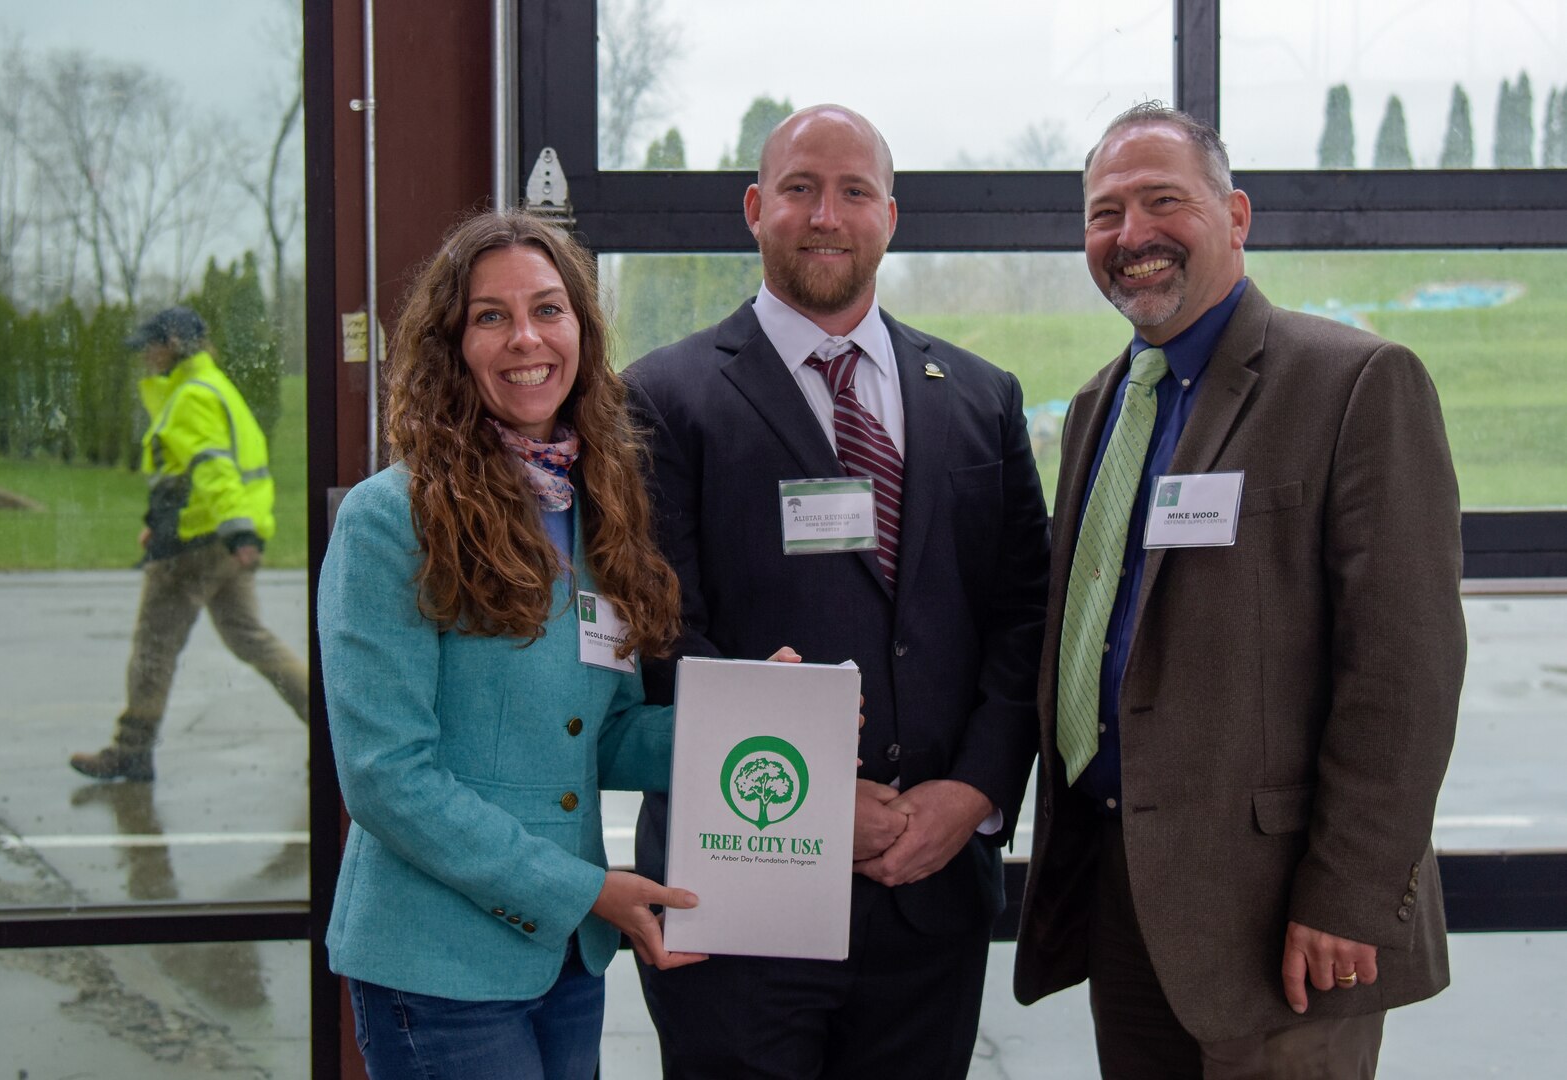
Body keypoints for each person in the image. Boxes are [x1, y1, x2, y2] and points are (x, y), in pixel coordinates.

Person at [1013, 103, 1464, 1078]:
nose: (1130, 235)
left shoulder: (1352, 382)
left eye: (1160, 200)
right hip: (1125, 896)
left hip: (1284, 919)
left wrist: (1347, 897)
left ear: (1236, 216)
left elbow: (1405, 669)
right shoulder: (1101, 404)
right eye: (1104, 213)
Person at [625, 104, 1052, 1079]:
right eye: (800, 189)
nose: (826, 214)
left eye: (854, 191)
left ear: (889, 217)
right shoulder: (661, 396)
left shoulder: (982, 396)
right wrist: (811, 798)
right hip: (741, 884)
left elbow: (1025, 610)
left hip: (929, 891)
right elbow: (657, 635)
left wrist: (977, 791)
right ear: (753, 208)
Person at [320, 210, 791, 1080]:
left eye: (548, 309)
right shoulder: (392, 518)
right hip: (439, 964)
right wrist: (585, 892)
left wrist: (748, 715)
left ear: (582, 328)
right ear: (451, 344)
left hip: (567, 963)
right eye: (490, 317)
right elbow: (388, 777)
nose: (525, 338)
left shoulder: (594, 510)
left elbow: (601, 735)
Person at [70, 306, 308, 783]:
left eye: (150, 347)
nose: (145, 358)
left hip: (196, 544)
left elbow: (212, 469)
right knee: (251, 639)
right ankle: (331, 735)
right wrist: (167, 524)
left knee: (153, 647)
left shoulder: (191, 397)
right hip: (220, 539)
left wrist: (234, 530)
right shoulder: (214, 387)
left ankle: (132, 749)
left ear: (173, 345)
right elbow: (182, 475)